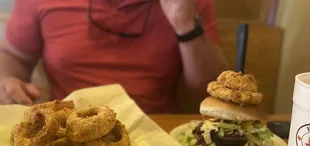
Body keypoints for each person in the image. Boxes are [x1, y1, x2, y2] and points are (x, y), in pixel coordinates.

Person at [0, 0, 227, 113]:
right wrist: (7, 82)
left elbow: (209, 86)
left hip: (155, 131)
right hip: (67, 125)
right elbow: (14, 55)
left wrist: (185, 23)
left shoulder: (190, 2)